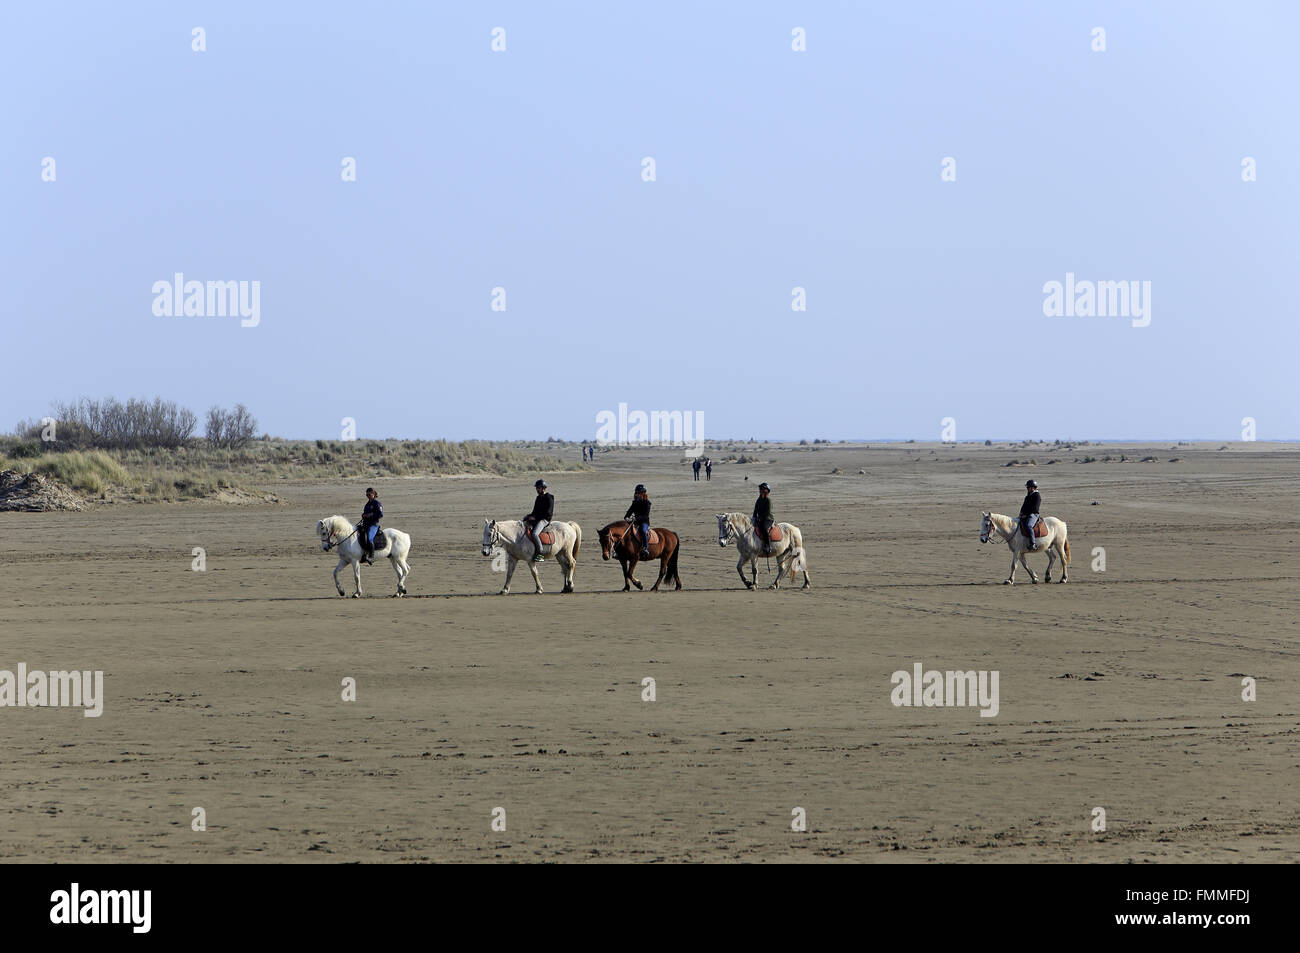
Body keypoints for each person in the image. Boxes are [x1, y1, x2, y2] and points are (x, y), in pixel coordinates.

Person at [524, 479, 555, 561]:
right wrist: (528, 516)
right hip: (537, 519)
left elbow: (548, 513)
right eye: (537, 488)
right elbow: (534, 511)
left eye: (539, 488)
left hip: (544, 520)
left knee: (534, 534)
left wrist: (535, 518)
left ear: (544, 488)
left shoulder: (549, 498)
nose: (537, 489)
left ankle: (540, 553)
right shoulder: (538, 498)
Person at [624, 484, 652, 558]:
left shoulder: (647, 503)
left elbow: (645, 516)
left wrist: (636, 519)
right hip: (634, 522)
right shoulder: (635, 502)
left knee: (642, 530)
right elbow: (629, 511)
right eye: (636, 492)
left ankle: (645, 548)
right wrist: (626, 517)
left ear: (643, 493)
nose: (636, 494)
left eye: (638, 492)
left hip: (644, 522)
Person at [359, 487, 383, 564]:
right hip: (366, 524)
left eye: (369, 494)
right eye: (367, 495)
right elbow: (364, 513)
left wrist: (371, 515)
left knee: (369, 538)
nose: (368, 496)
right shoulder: (367, 504)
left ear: (373, 494)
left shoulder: (377, 503)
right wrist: (363, 515)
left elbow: (380, 514)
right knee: (360, 536)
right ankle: (363, 555)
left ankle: (371, 557)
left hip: (373, 524)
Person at [753, 482, 774, 555]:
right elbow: (755, 510)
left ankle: (768, 546)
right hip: (760, 518)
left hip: (768, 519)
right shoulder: (759, 500)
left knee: (764, 528)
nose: (760, 490)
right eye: (760, 489)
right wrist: (754, 518)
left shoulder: (768, 500)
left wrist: (760, 518)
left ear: (766, 490)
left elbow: (768, 512)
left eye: (762, 489)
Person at [1019, 479, 1042, 549]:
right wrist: (1021, 513)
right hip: (1026, 514)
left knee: (1029, 526)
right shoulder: (1028, 496)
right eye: (1027, 487)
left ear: (1033, 488)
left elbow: (1035, 508)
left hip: (1034, 514)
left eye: (1028, 487)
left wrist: (1026, 515)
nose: (1027, 489)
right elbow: (1024, 506)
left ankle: (1033, 543)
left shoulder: (1037, 496)